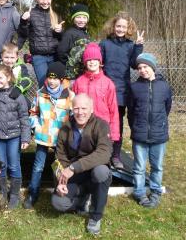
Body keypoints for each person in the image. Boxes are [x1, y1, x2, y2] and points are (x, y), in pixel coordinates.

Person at [51, 93, 112, 235]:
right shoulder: (65, 128)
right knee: (58, 203)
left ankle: (95, 216)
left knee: (101, 172)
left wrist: (74, 167)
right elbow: (60, 158)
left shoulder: (101, 125)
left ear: (92, 109)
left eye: (84, 108)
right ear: (72, 109)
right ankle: (82, 198)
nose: (80, 112)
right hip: (76, 175)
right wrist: (60, 180)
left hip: (93, 171)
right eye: (76, 108)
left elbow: (104, 153)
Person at [24, 62, 74, 209]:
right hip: (43, 136)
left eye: (55, 78)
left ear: (61, 79)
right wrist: (36, 125)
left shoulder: (69, 96)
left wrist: (69, 132)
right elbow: (33, 112)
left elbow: (73, 116)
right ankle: (33, 194)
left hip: (61, 139)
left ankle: (60, 193)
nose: (52, 81)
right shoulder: (40, 94)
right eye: (49, 78)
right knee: (38, 166)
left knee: (60, 167)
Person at [0, 64, 30, 209]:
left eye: (0, 78)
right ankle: (2, 193)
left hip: (14, 136)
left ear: (8, 77)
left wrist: (25, 138)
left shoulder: (17, 95)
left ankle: (14, 194)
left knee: (14, 165)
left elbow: (24, 117)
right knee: (0, 165)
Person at [99, 11, 144, 168]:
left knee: (117, 125)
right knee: (102, 124)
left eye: (124, 27)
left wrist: (138, 46)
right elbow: (99, 63)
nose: (120, 29)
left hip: (121, 92)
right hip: (105, 91)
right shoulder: (104, 44)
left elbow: (134, 64)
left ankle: (116, 156)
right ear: (113, 26)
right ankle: (103, 154)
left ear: (128, 28)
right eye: (118, 26)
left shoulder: (130, 46)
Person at [128, 53, 172, 209]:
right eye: (139, 68)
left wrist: (158, 124)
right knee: (139, 167)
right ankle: (139, 192)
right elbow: (131, 111)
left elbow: (167, 108)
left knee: (157, 166)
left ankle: (155, 191)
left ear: (152, 67)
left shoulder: (164, 86)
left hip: (159, 135)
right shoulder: (134, 87)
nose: (142, 70)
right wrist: (136, 127)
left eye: (145, 67)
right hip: (139, 134)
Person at [73, 42, 120, 146]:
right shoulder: (78, 82)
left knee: (100, 158)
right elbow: (73, 107)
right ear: (85, 62)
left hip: (102, 128)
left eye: (95, 59)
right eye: (89, 60)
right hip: (83, 127)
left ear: (100, 62)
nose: (92, 62)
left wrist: (114, 133)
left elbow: (113, 110)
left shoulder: (108, 83)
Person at [17, 0, 64, 87]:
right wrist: (24, 21)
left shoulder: (55, 15)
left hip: (54, 56)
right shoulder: (31, 14)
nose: (45, 1)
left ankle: (56, 103)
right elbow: (23, 34)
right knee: (44, 84)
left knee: (55, 84)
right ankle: (43, 103)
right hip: (38, 57)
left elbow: (61, 38)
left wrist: (59, 32)